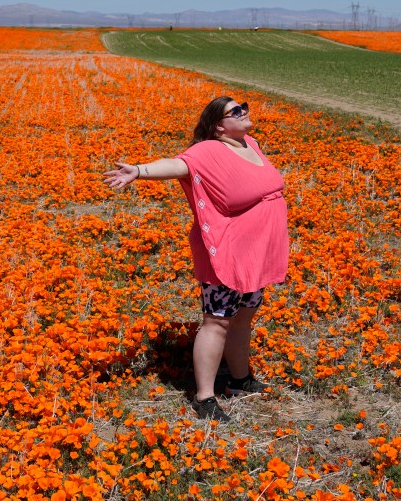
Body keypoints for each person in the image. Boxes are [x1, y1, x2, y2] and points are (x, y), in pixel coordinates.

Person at [103, 97, 289, 423]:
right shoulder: (206, 151)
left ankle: (239, 379)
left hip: (255, 253)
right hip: (226, 253)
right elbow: (177, 165)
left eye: (243, 106)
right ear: (219, 125)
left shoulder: (251, 144)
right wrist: (139, 171)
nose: (244, 112)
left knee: (243, 317)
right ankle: (205, 397)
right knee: (217, 322)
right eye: (236, 111)